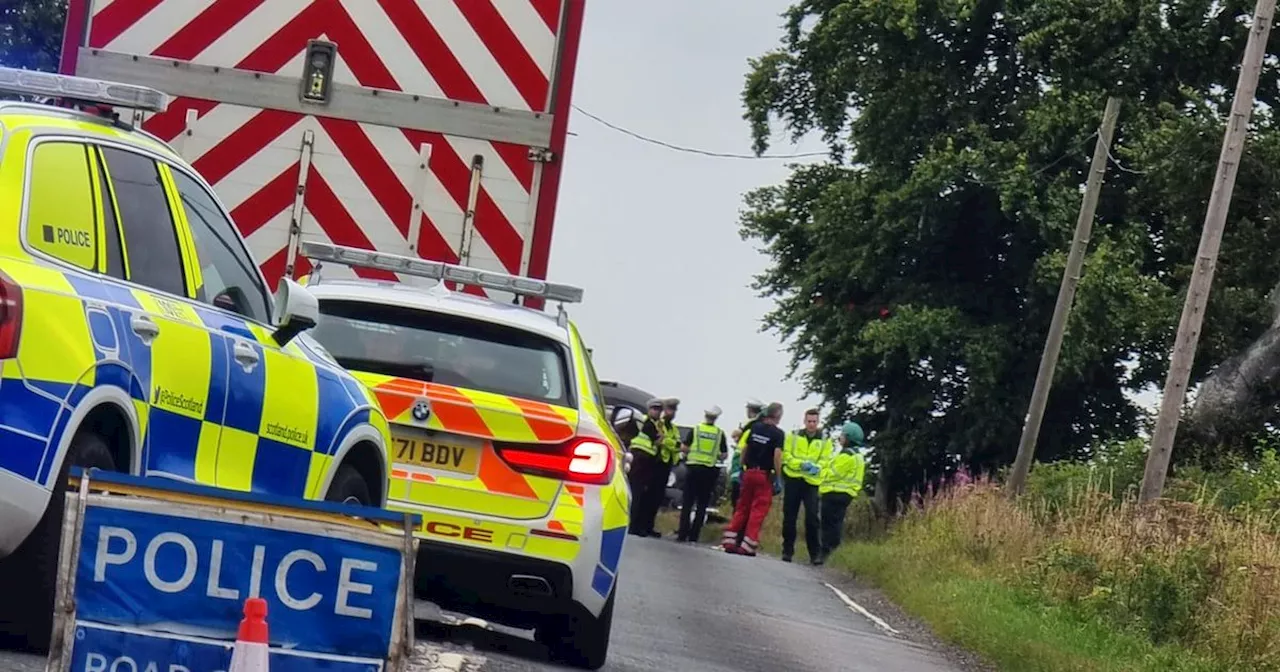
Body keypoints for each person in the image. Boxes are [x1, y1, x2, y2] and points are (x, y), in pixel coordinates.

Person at [720, 402, 786, 557]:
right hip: (764, 474)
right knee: (758, 510)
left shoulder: (755, 428)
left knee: (742, 507)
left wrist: (742, 468)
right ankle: (747, 546)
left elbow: (745, 449)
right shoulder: (778, 434)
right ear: (778, 416)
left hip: (749, 472)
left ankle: (729, 541)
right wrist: (778, 476)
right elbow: (777, 456)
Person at [780, 408, 834, 564]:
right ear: (804, 421)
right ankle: (787, 551)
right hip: (794, 478)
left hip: (811, 482)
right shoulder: (794, 436)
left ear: (818, 422)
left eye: (814, 422)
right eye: (809, 421)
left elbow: (826, 459)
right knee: (789, 516)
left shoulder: (825, 439)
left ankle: (814, 554)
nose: (811, 424)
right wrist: (800, 464)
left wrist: (816, 466)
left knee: (812, 518)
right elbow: (787, 455)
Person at [676, 405, 728, 543]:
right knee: (702, 505)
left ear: (705, 415)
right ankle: (694, 536)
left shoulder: (696, 429)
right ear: (716, 418)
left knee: (687, 502)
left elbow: (685, 448)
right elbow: (724, 455)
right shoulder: (719, 433)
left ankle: (682, 534)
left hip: (693, 469)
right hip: (709, 471)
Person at [817, 422, 868, 563]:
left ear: (848, 438)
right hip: (847, 495)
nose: (840, 438)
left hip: (834, 492)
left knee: (827, 524)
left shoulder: (846, 455)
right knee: (837, 522)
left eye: (843, 435)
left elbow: (833, 472)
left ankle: (825, 552)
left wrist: (818, 471)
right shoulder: (858, 456)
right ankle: (833, 552)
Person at [627, 398, 667, 537]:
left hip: (647, 460)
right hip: (640, 458)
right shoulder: (646, 422)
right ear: (649, 409)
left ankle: (638, 525)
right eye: (654, 409)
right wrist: (660, 437)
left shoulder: (656, 424)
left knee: (642, 493)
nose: (657, 412)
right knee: (636, 492)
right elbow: (657, 440)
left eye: (659, 410)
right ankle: (632, 525)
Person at [652, 397, 683, 537]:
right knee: (651, 496)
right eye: (670, 409)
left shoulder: (674, 428)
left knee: (658, 496)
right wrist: (674, 445)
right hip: (657, 462)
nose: (673, 412)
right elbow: (663, 441)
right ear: (664, 410)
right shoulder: (660, 424)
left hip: (668, 463)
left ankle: (650, 525)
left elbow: (678, 444)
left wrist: (673, 445)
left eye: (675, 410)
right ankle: (642, 525)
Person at [728, 399, 764, 509]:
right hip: (743, 464)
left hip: (742, 464)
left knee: (738, 496)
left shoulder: (751, 425)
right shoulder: (753, 425)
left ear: (750, 410)